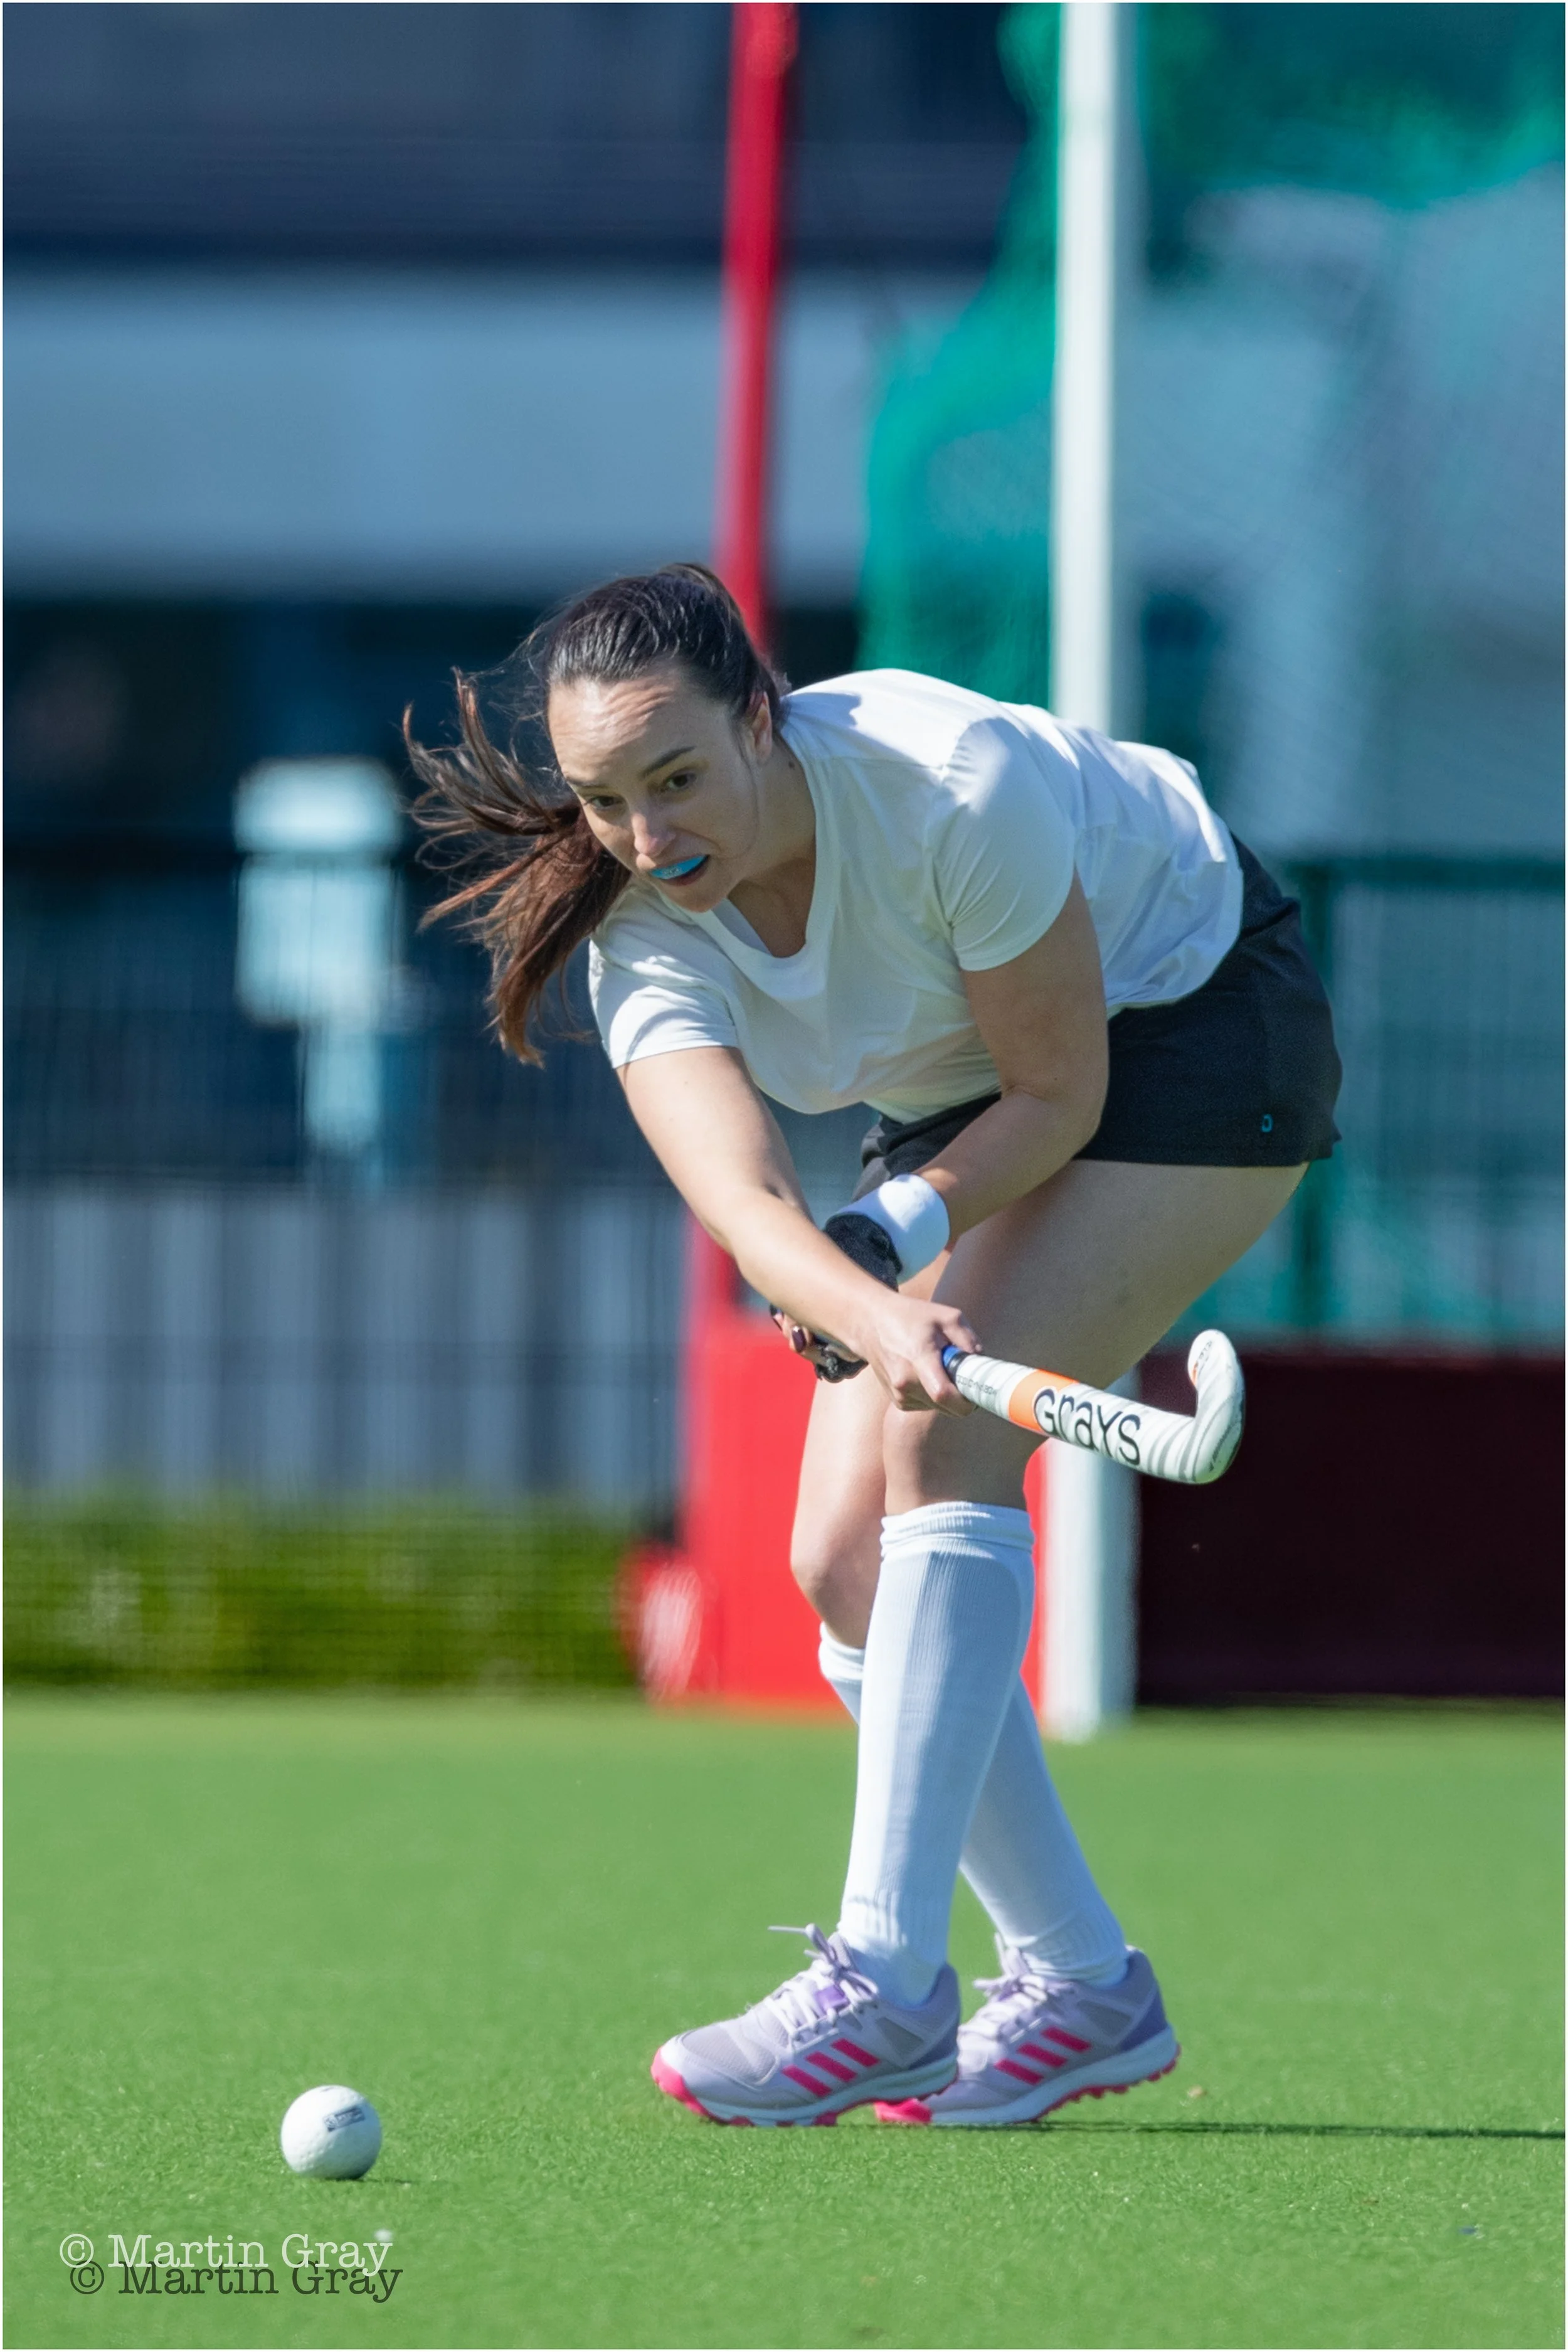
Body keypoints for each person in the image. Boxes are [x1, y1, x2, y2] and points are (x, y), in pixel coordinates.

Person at [410, 563, 1341, 2129]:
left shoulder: (943, 786)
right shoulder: (640, 926)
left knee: (941, 1445)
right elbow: (747, 1202)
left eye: (677, 776)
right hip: (965, 1093)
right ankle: (1080, 1984)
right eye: (604, 801)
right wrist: (853, 1284)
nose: (648, 836)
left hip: (1187, 1023)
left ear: (761, 718)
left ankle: (886, 1978)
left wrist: (889, 1247)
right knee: (842, 1553)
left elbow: (1060, 1094)